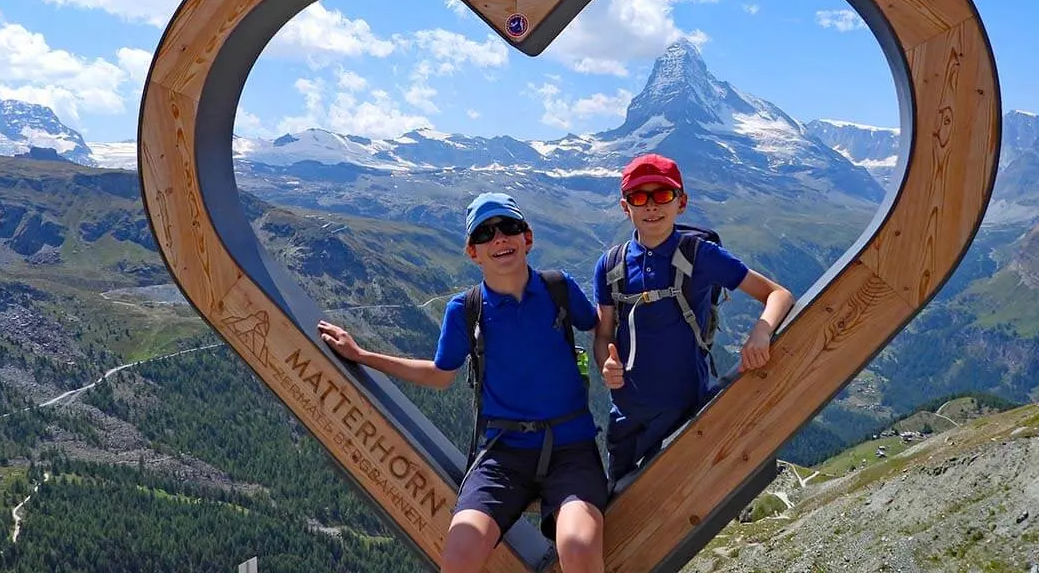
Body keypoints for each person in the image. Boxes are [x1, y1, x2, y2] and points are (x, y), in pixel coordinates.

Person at [317, 192, 607, 573]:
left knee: (578, 547)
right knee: (460, 554)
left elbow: (600, 326)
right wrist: (362, 356)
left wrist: (615, 354)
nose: (499, 239)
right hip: (503, 454)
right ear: (473, 252)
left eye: (509, 228)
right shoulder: (465, 310)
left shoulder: (559, 289)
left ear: (528, 238)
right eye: (485, 234)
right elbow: (440, 374)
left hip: (571, 447)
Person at [592, 153, 795, 485]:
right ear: (625, 206)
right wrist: (605, 365)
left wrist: (762, 331)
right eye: (639, 198)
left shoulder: (701, 255)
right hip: (627, 420)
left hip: (687, 414)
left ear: (681, 203)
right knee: (623, 516)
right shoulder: (610, 265)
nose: (651, 206)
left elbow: (777, 294)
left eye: (663, 195)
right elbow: (604, 334)